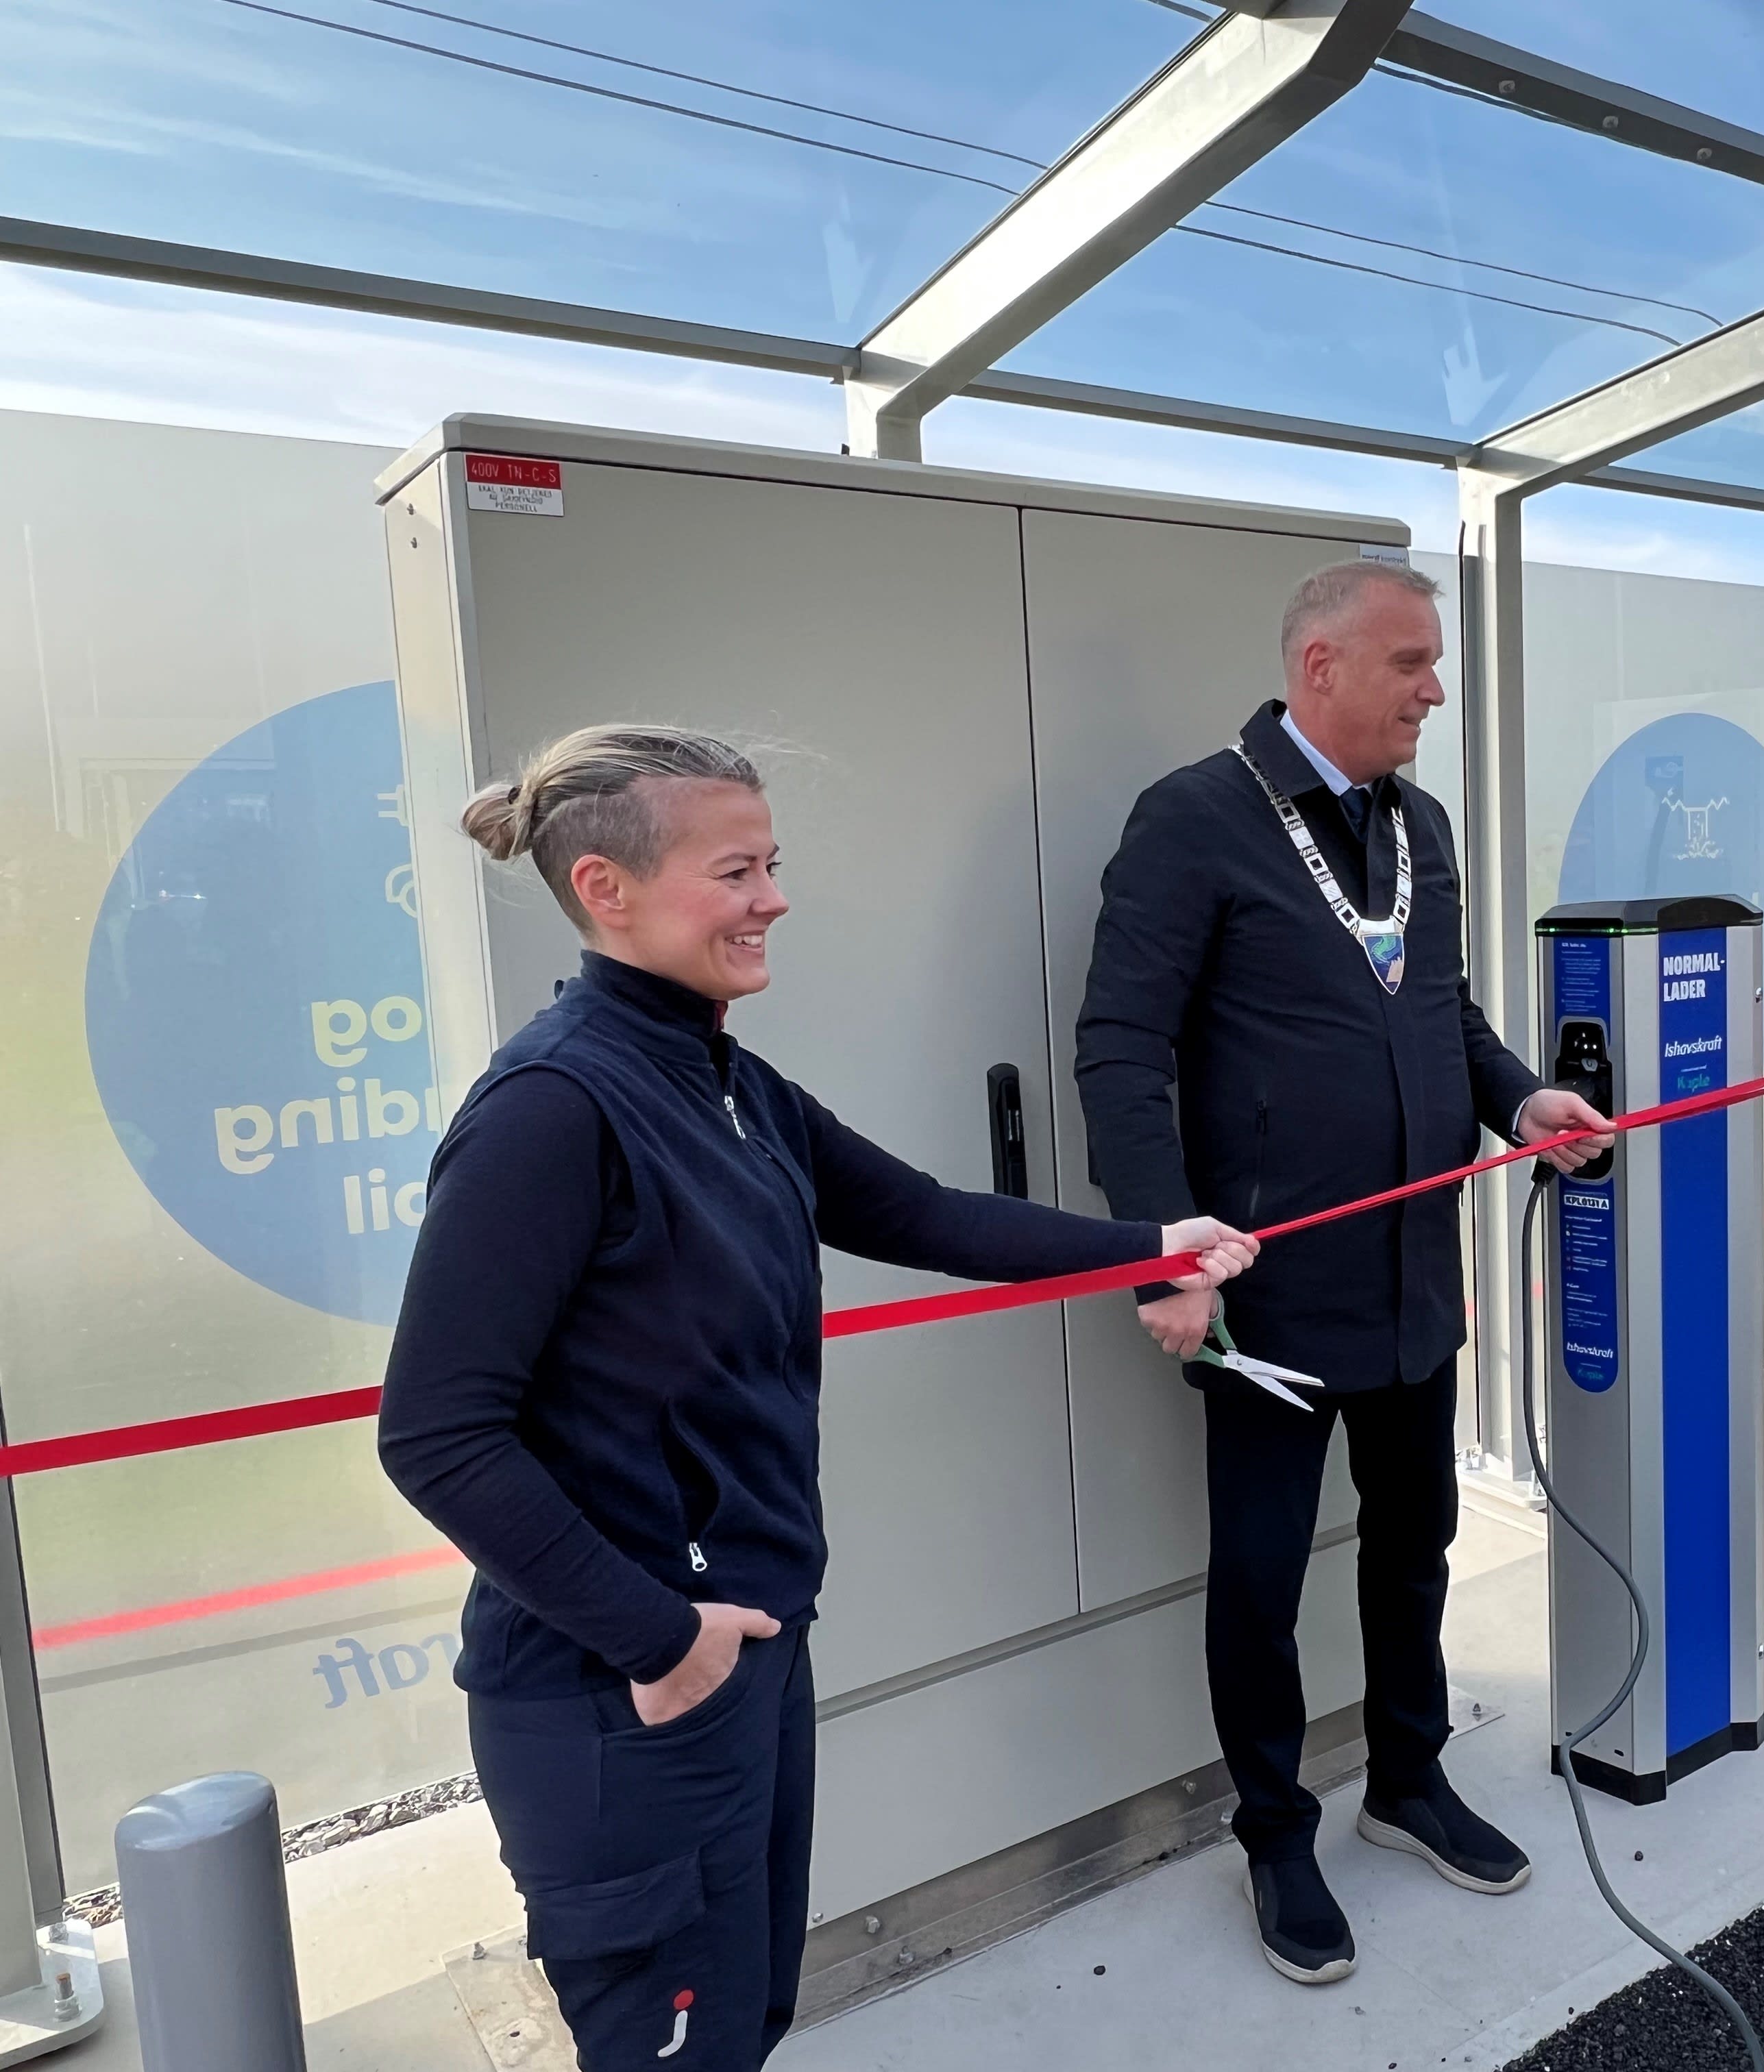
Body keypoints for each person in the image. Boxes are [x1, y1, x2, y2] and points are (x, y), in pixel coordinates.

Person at [378, 726, 1253, 2071]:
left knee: (746, 2020)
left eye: (772, 865)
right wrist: (661, 1639)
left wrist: (1152, 1245)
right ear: (608, 889)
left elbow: (925, 1215)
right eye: (738, 872)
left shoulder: (727, 1081)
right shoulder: (552, 1110)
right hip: (624, 1687)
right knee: (682, 2048)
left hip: (742, 1648)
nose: (775, 899)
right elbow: (437, 1436)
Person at [1075, 560, 1612, 1987]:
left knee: (1414, 1539)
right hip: (1266, 1295)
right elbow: (1121, 1051)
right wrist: (1165, 1250)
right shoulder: (1195, 818)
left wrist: (1520, 1100)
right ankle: (1274, 1832)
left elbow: (1441, 1009)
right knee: (1260, 1579)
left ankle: (1409, 1780)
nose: (1435, 690)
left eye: (1434, 663)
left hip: (1415, 1276)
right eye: (1411, 663)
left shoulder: (1418, 824)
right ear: (1320, 666)